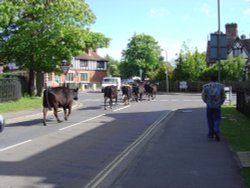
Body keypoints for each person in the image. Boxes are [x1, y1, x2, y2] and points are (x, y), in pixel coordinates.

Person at [202, 74, 226, 141]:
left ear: (210, 79)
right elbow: (223, 96)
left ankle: (211, 133)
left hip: (209, 105)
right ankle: (216, 129)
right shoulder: (221, 86)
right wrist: (221, 102)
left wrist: (206, 102)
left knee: (210, 119)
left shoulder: (206, 86)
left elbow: (203, 96)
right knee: (217, 118)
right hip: (217, 105)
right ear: (216, 79)